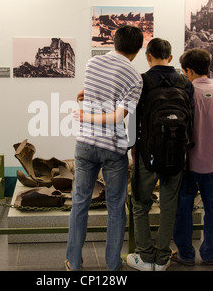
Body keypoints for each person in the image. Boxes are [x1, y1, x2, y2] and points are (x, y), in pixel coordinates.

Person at [65, 25, 144, 271]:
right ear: (138, 49)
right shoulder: (135, 78)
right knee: (116, 206)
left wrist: (85, 111)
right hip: (113, 147)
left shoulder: (92, 63)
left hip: (86, 144)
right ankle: (112, 266)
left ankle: (74, 263)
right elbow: (118, 117)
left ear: (114, 42)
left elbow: (95, 90)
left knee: (79, 202)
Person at [126, 38, 194, 271]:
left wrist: (132, 146)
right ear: (171, 58)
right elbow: (191, 120)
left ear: (148, 56)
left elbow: (133, 118)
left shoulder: (142, 81)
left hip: (147, 152)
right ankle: (163, 257)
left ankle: (145, 256)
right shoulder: (185, 82)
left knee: (140, 203)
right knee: (169, 206)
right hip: (177, 154)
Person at [172, 48, 213, 266]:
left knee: (184, 211)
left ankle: (185, 254)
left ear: (188, 70)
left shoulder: (184, 95)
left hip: (188, 165)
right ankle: (209, 253)